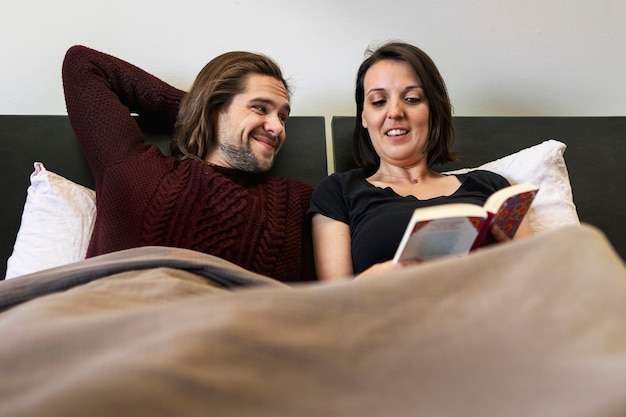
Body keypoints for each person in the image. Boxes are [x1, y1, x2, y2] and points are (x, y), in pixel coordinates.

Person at [62, 45, 315, 282]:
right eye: (260, 108)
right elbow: (83, 64)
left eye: (283, 117)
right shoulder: (137, 171)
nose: (277, 128)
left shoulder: (297, 200)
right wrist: (197, 109)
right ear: (215, 108)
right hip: (132, 319)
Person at [308, 42, 533, 281]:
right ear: (364, 117)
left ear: (434, 111)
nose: (394, 112)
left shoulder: (491, 187)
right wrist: (376, 278)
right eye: (378, 101)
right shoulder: (339, 191)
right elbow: (333, 302)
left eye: (412, 99)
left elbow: (542, 274)